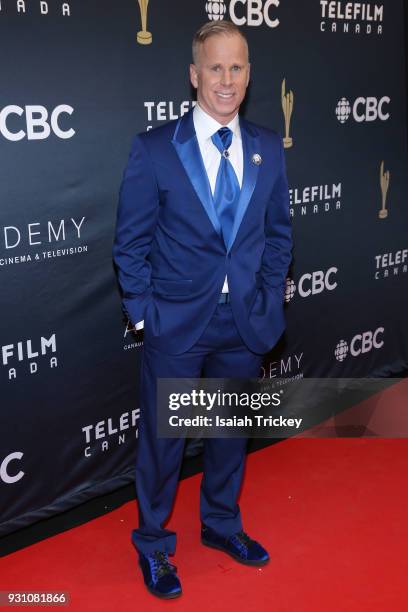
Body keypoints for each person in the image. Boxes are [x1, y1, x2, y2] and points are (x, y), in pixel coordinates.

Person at [113, 20, 292, 599]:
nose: (226, 79)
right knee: (165, 444)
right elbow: (130, 244)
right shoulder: (155, 148)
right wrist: (145, 316)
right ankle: (154, 546)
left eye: (237, 67)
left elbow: (279, 235)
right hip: (176, 326)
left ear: (249, 75)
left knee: (227, 437)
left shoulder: (267, 146)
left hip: (243, 322)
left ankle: (220, 525)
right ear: (194, 75)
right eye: (214, 67)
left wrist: (266, 297)